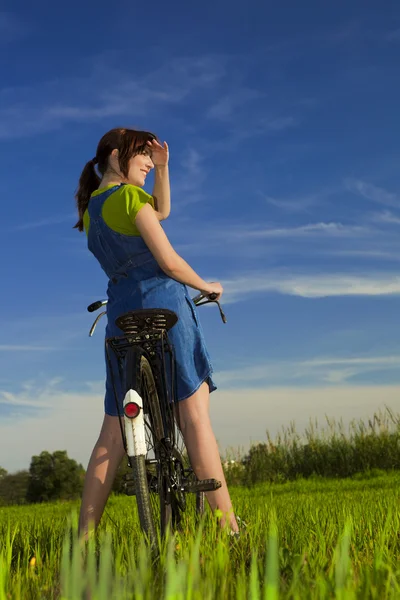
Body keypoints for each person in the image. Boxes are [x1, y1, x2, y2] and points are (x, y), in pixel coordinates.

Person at [74, 127, 239, 538]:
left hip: (122, 312)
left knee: (113, 428)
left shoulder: (92, 210)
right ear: (116, 157)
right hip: (164, 305)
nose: (149, 163)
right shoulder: (129, 198)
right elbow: (168, 261)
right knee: (193, 414)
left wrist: (164, 170)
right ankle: (228, 529)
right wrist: (206, 285)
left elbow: (159, 212)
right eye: (143, 157)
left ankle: (83, 541)